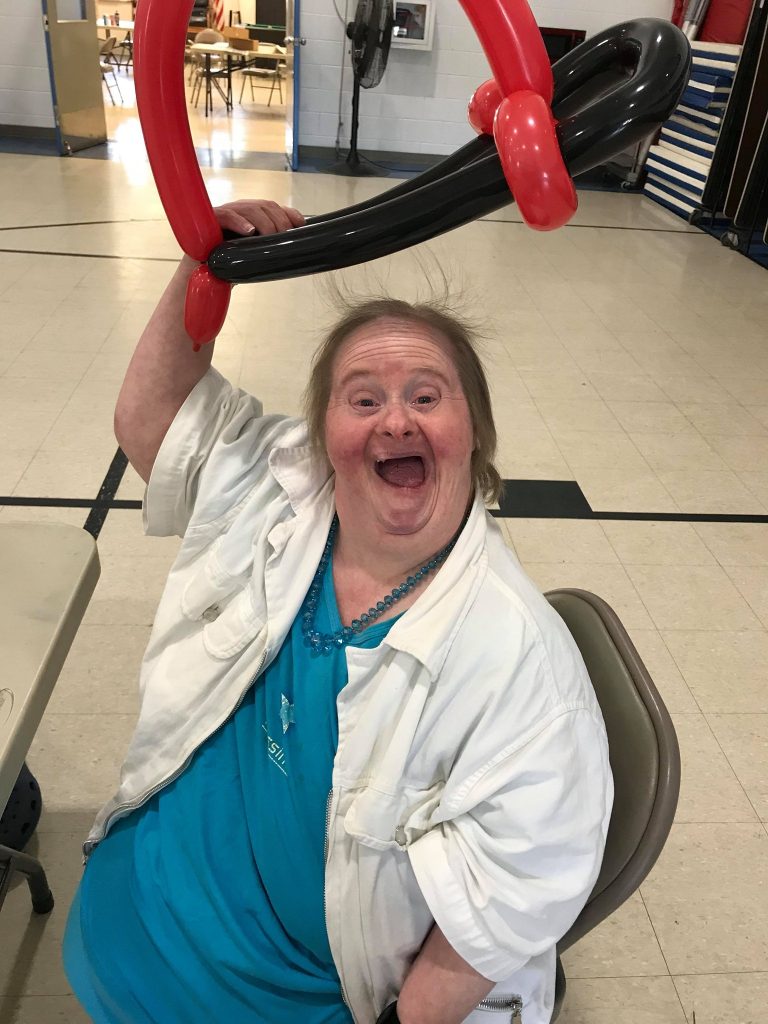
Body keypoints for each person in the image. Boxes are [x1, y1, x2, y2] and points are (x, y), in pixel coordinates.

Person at [63, 199, 613, 1024]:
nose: (396, 418)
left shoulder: (522, 663)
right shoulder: (279, 491)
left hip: (297, 992)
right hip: (135, 909)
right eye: (362, 400)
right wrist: (203, 267)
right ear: (322, 437)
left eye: (427, 396)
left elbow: (509, 898)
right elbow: (153, 422)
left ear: (476, 435)